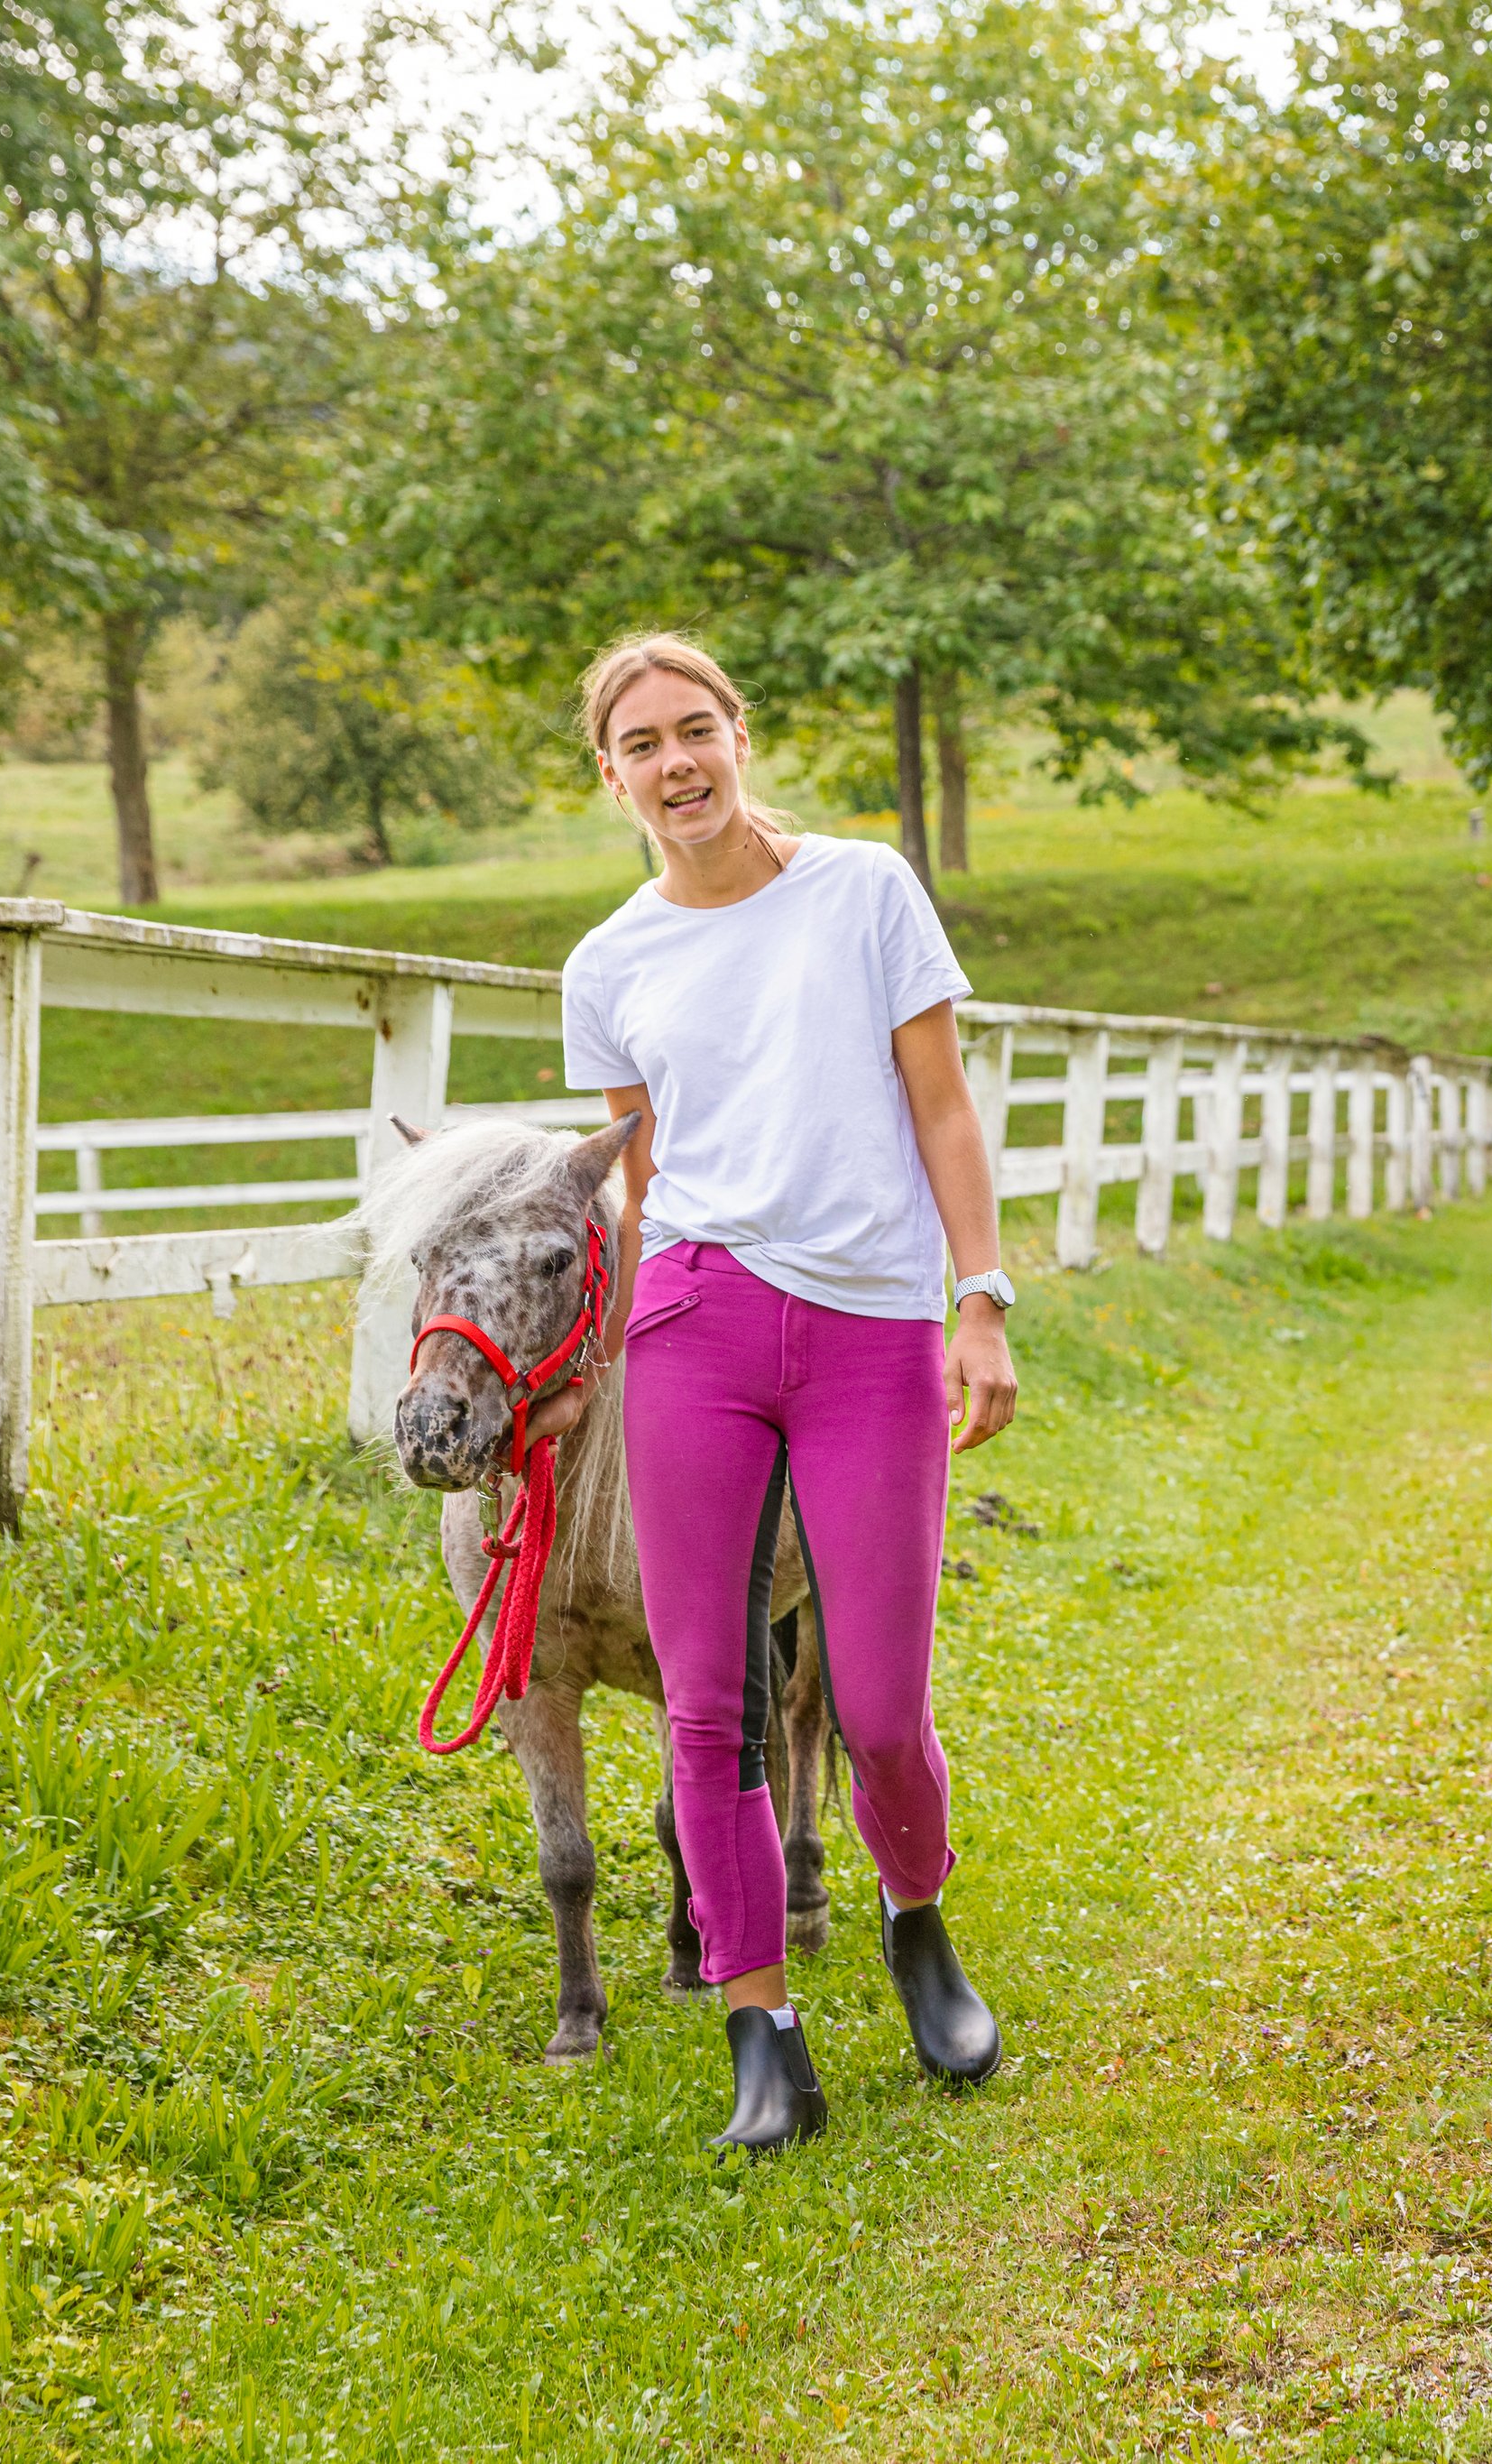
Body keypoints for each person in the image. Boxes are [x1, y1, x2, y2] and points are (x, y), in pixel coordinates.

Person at [544, 632, 1022, 2152]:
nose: (675, 764)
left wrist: (981, 1299)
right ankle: (763, 2030)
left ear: (740, 737)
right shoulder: (606, 966)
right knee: (708, 1705)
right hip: (695, 1328)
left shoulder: (864, 890)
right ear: (608, 774)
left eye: (697, 730)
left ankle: (917, 1921)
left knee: (877, 1704)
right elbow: (639, 1171)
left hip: (873, 1324)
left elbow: (940, 1106)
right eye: (642, 745)